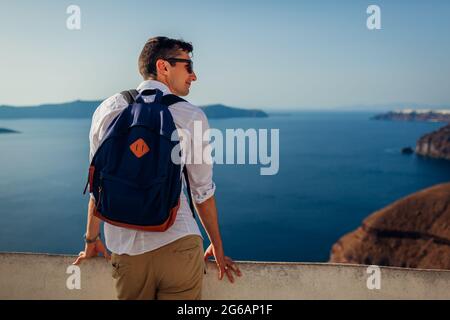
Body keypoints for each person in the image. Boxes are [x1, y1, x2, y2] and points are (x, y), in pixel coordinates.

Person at [73, 36, 241, 300]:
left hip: (126, 251)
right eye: (188, 66)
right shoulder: (190, 115)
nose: (194, 76)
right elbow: (202, 191)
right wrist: (217, 247)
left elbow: (98, 185)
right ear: (163, 66)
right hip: (178, 244)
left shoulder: (107, 110)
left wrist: (91, 242)